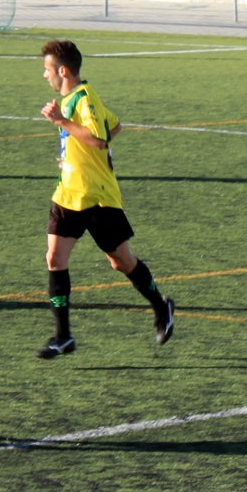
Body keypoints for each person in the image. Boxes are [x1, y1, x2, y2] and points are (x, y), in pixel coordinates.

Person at [36, 39, 174, 359]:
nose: (44, 75)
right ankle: (63, 337)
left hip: (97, 196)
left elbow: (99, 139)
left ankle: (161, 306)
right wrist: (73, 156)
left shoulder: (85, 98)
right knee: (55, 258)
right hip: (68, 192)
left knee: (121, 262)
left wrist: (62, 123)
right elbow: (115, 125)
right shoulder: (72, 98)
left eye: (47, 69)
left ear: (63, 71)